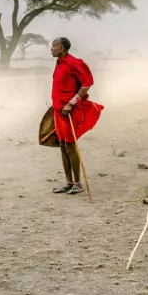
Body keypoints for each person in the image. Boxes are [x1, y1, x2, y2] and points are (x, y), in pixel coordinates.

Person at [49, 37, 103, 195]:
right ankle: (68, 182)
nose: (52, 49)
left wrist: (71, 103)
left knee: (71, 146)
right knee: (63, 146)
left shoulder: (75, 63)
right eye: (52, 46)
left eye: (55, 46)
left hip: (70, 111)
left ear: (63, 48)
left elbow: (87, 84)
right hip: (58, 110)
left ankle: (78, 183)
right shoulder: (59, 63)